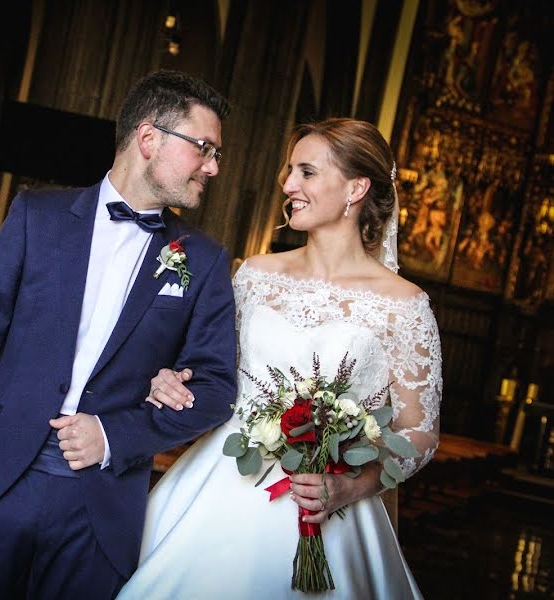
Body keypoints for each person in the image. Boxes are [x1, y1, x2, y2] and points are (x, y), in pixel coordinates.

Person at [0, 70, 238, 599]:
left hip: (101, 511)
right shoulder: (34, 217)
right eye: (204, 147)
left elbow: (217, 388)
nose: (214, 166)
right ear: (149, 137)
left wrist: (117, 435)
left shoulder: (202, 261)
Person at [118, 118, 442, 599]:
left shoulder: (404, 305)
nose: (288, 185)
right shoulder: (253, 274)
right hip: (220, 486)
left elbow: (419, 431)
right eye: (290, 171)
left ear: (356, 188)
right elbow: (209, 370)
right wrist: (171, 378)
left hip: (330, 502)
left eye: (307, 172)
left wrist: (352, 486)